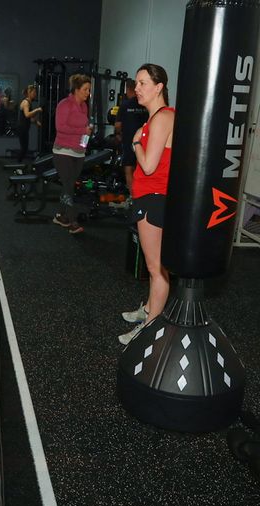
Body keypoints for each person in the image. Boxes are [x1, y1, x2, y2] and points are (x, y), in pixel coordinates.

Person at [118, 63, 175, 345]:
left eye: (142, 83)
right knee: (155, 266)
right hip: (147, 198)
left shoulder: (163, 118)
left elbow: (150, 166)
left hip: (154, 199)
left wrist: (136, 143)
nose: (137, 89)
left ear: (159, 87)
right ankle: (150, 310)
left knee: (156, 268)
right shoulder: (154, 120)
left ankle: (151, 327)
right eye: (137, 83)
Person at [51, 74, 92, 234]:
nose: (88, 93)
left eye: (89, 89)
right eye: (85, 89)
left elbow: (85, 130)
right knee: (68, 186)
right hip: (62, 151)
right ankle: (73, 221)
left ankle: (60, 215)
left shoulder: (84, 107)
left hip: (78, 153)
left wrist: (84, 144)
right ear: (76, 90)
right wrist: (83, 130)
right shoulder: (64, 105)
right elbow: (60, 127)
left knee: (68, 186)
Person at [114, 78, 148, 201]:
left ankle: (132, 197)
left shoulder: (124, 105)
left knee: (128, 168)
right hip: (143, 142)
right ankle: (140, 195)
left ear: (128, 90)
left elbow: (118, 126)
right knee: (140, 168)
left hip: (129, 141)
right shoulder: (144, 105)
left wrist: (118, 135)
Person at [16, 85, 42, 162]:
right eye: (34, 92)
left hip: (24, 128)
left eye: (35, 92)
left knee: (24, 148)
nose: (35, 94)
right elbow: (27, 114)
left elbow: (26, 118)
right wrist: (37, 110)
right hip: (22, 128)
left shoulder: (29, 102)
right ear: (29, 93)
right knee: (24, 148)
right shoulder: (26, 102)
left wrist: (35, 121)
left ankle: (18, 163)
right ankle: (18, 164)